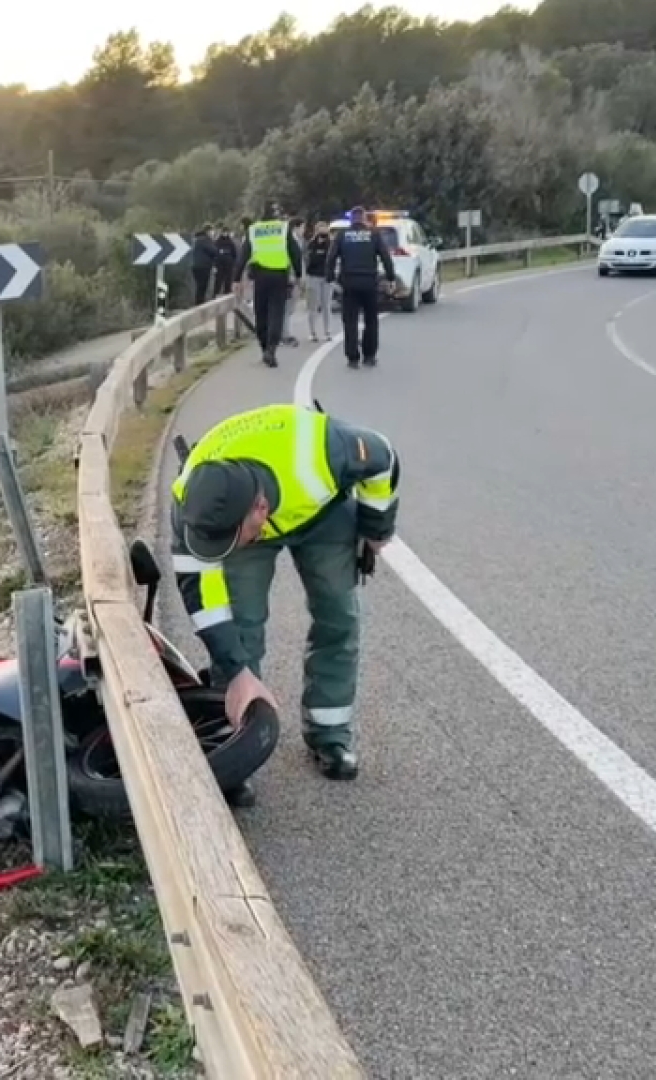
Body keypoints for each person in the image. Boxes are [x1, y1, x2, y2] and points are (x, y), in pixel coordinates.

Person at [169, 401, 401, 780]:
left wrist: (376, 528)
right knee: (239, 625)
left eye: (228, 542)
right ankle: (236, 745)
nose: (219, 554)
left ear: (261, 509)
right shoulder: (193, 508)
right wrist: (236, 668)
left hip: (320, 512)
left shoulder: (325, 453)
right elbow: (205, 604)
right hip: (249, 521)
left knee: (338, 615)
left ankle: (330, 735)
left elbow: (384, 457)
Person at [325, 205, 397, 369]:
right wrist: (390, 277)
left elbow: (331, 258)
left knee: (350, 321)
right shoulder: (374, 235)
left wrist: (330, 278)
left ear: (351, 220)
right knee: (371, 321)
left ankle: (352, 358)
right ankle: (369, 356)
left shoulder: (342, 236)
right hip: (370, 283)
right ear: (364, 218)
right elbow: (385, 257)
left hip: (349, 283)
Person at [244, 202, 303, 368]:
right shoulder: (283, 228)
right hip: (279, 277)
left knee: (261, 314)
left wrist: (235, 279)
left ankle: (264, 348)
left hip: (260, 277)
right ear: (277, 214)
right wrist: (298, 275)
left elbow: (244, 253)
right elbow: (295, 253)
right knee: (276, 314)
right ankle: (271, 349)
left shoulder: (254, 229)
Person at [303, 219, 335, 343]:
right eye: (320, 232)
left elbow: (332, 259)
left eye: (325, 231)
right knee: (313, 306)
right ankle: (312, 332)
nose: (323, 235)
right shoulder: (311, 244)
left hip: (327, 278)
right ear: (316, 232)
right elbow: (308, 260)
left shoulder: (331, 244)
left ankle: (328, 332)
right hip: (313, 277)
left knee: (326, 305)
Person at [279, 217, 305, 347]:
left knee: (288, 308)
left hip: (289, 276)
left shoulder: (296, 240)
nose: (303, 231)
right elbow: (294, 259)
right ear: (295, 227)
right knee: (287, 307)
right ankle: (285, 334)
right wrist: (297, 277)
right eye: (302, 228)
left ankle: (284, 333)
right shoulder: (291, 240)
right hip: (290, 277)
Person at [190, 224, 218, 307]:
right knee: (202, 286)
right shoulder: (206, 240)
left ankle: (199, 304)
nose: (213, 233)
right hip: (203, 267)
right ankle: (199, 305)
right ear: (208, 231)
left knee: (199, 286)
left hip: (195, 266)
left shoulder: (197, 239)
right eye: (212, 231)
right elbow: (214, 251)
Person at [212, 222, 239, 298]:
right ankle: (215, 294)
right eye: (224, 232)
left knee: (228, 280)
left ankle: (227, 294)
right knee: (218, 280)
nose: (225, 233)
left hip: (229, 264)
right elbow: (215, 253)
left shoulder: (230, 242)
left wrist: (233, 262)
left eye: (226, 232)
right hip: (220, 264)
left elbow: (234, 253)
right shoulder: (218, 241)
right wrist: (215, 264)